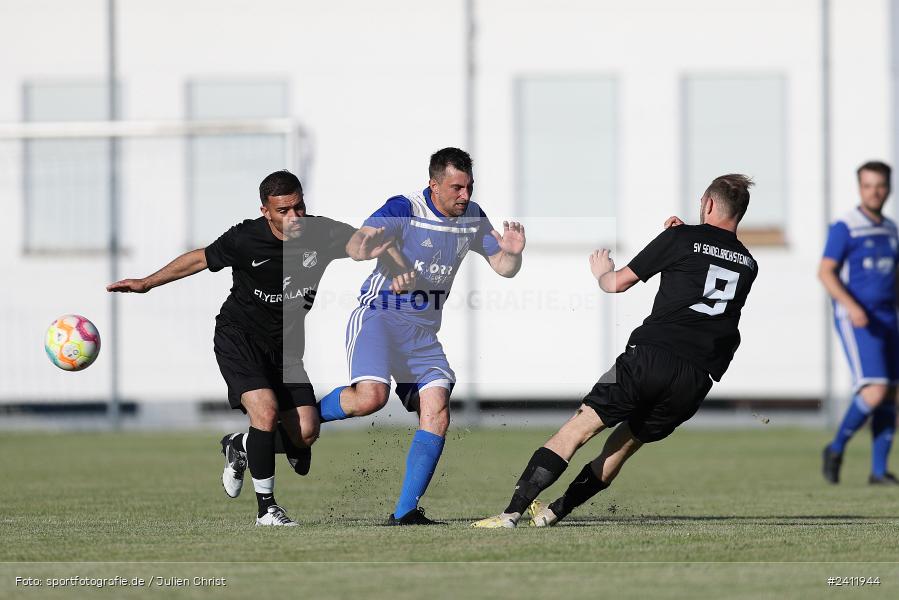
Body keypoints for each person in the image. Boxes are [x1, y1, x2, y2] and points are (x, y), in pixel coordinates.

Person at [472, 174, 758, 528]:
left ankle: (510, 514)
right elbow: (707, 267)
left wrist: (603, 272)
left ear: (709, 203)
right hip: (696, 378)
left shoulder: (680, 238)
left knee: (578, 429)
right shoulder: (749, 264)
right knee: (621, 448)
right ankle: (554, 512)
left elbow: (616, 284)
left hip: (650, 357)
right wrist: (683, 236)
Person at [107, 170, 391, 525]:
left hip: (286, 348)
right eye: (283, 211)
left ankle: (240, 445)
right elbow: (200, 258)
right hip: (239, 337)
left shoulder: (320, 232)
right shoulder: (245, 238)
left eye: (299, 207)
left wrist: (369, 249)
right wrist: (147, 283)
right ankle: (266, 509)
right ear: (265, 211)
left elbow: (355, 244)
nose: (294, 217)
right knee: (265, 411)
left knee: (305, 433)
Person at [315, 147, 526, 525]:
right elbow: (359, 244)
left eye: (470, 186)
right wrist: (367, 246)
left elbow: (504, 267)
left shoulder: (473, 217)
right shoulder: (404, 208)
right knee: (370, 398)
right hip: (379, 316)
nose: (465, 195)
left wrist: (513, 254)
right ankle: (300, 419)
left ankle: (405, 513)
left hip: (422, 333)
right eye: (457, 187)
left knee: (437, 409)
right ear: (434, 185)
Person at [820, 161, 899, 485]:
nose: (874, 192)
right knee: (875, 390)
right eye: (868, 186)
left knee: (891, 393)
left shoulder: (891, 229)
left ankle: (878, 472)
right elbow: (826, 272)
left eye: (880, 185)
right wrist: (851, 306)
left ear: (888, 188)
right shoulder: (846, 226)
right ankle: (835, 448)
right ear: (860, 188)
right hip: (858, 319)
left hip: (888, 317)